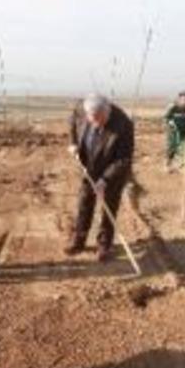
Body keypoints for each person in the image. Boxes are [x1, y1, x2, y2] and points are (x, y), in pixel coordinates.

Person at [64, 93, 135, 261]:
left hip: (113, 171)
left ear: (107, 112)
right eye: (91, 119)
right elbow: (72, 123)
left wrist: (105, 180)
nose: (95, 123)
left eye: (99, 119)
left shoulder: (123, 124)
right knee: (84, 202)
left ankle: (104, 244)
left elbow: (123, 158)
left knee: (109, 207)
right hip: (89, 166)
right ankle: (78, 240)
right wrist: (73, 144)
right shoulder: (81, 110)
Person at [164, 91, 185, 171]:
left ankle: (180, 165)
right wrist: (171, 123)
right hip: (173, 131)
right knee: (172, 147)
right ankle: (167, 165)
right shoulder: (173, 107)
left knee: (183, 147)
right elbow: (166, 118)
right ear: (179, 99)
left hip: (183, 130)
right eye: (183, 99)